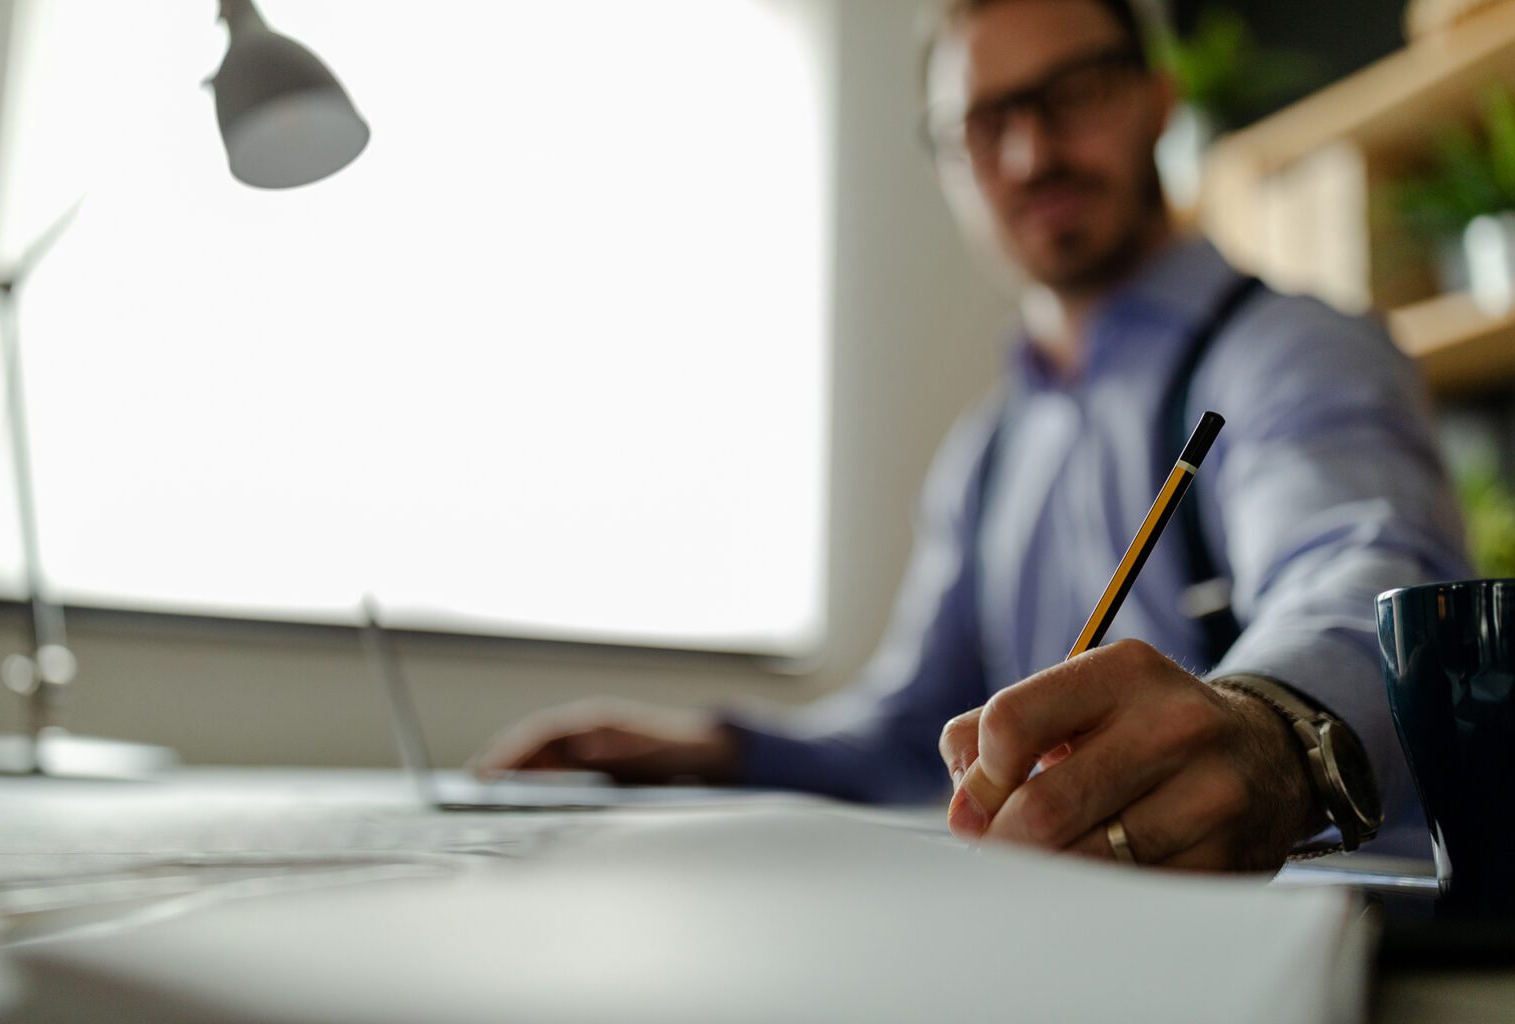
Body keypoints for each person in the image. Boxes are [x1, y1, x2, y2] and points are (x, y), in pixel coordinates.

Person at [472, 0, 1468, 872]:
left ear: (1159, 102)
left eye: (1073, 92)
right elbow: (913, 739)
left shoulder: (1295, 354)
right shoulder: (987, 453)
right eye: (988, 124)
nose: (1033, 154)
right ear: (951, 161)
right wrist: (709, 749)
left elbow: (1364, 576)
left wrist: (1267, 731)